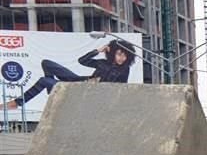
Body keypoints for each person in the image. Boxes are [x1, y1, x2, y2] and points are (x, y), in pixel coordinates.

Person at [4, 38, 137, 110]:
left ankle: (17, 103)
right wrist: (98, 50)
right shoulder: (102, 62)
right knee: (47, 63)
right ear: (113, 52)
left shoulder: (124, 70)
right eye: (119, 54)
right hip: (81, 81)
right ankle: (54, 91)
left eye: (125, 56)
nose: (121, 58)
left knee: (44, 80)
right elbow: (82, 61)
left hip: (85, 91)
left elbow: (121, 88)